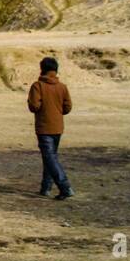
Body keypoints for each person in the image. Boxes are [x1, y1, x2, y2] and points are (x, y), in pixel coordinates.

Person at [29, 57, 74, 200]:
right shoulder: (62, 87)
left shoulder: (38, 86)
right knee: (50, 157)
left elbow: (34, 106)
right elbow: (68, 107)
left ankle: (65, 187)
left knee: (50, 158)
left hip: (44, 127)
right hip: (58, 127)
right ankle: (45, 187)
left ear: (42, 69)